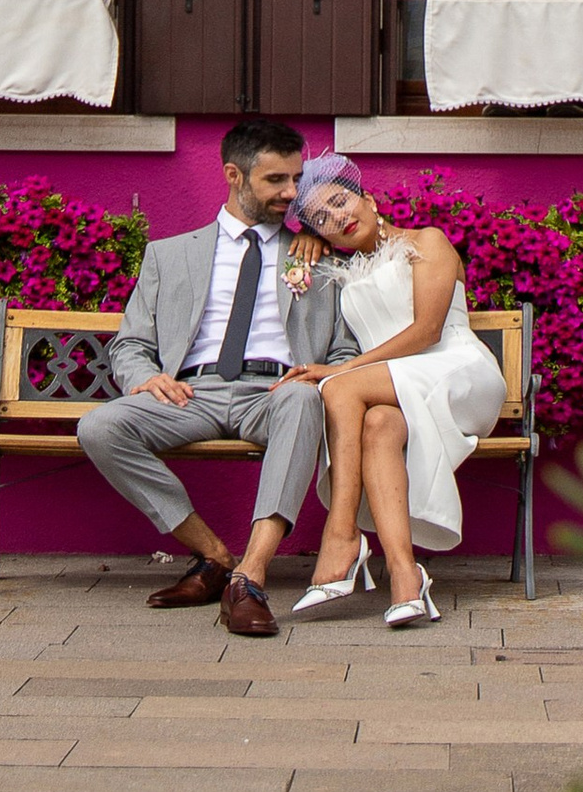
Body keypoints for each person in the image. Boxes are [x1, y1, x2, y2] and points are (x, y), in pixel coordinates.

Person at [76, 119, 344, 640]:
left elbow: (346, 348)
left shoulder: (317, 255)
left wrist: (319, 372)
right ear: (233, 176)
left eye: (295, 178)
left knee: (304, 401)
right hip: (189, 393)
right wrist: (147, 377)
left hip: (274, 392)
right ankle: (214, 556)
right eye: (275, 181)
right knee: (100, 428)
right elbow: (130, 343)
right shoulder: (169, 255)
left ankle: (250, 577)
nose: (291, 192)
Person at [281, 153, 510, 628]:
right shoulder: (346, 277)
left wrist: (335, 373)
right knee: (379, 424)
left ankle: (341, 536)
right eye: (323, 217)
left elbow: (427, 332)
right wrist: (304, 233)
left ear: (368, 199)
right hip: (399, 390)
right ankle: (407, 579)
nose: (339, 218)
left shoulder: (427, 242)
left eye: (342, 202)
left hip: (456, 372)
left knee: (339, 389)